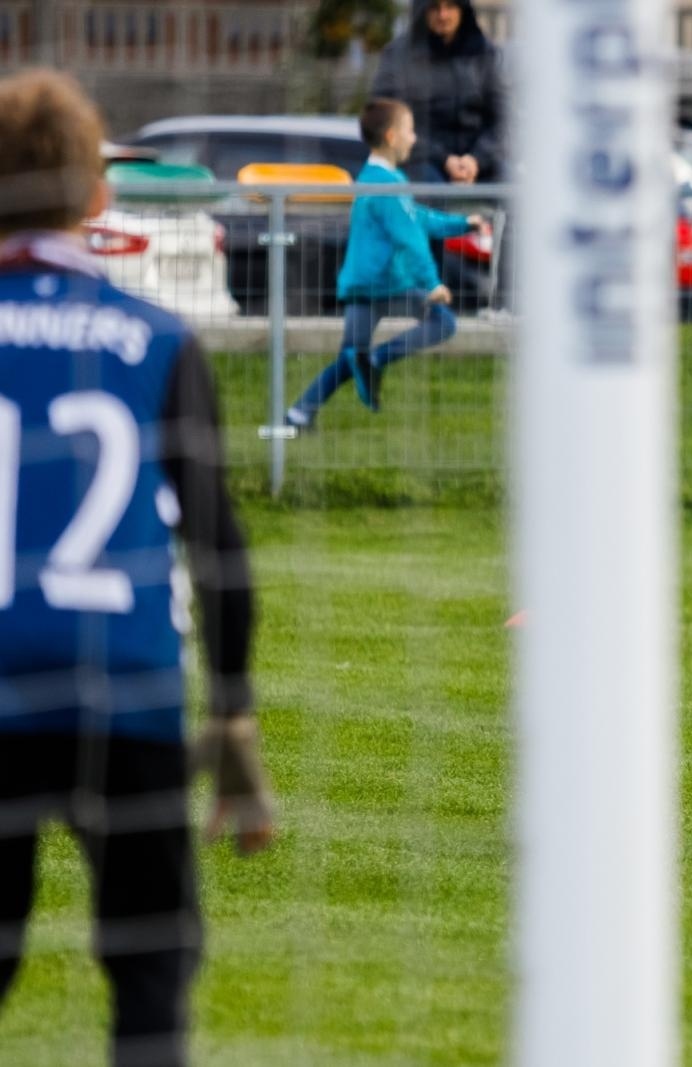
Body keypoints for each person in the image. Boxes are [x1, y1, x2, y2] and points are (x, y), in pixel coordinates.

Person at [0, 69, 274, 1066]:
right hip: (124, 683)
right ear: (97, 196)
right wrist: (232, 708)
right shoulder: (159, 339)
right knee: (152, 969)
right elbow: (218, 547)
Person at [286, 98, 486, 430]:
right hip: (388, 284)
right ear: (392, 137)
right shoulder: (388, 185)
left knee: (350, 356)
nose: (415, 138)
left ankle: (298, 415)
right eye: (410, 130)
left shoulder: (375, 178)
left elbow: (417, 218)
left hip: (361, 284)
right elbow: (410, 237)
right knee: (443, 323)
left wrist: (462, 224)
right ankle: (377, 359)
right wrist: (433, 283)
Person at [372, 0, 512, 317]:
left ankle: (506, 305)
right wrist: (444, 158)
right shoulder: (399, 55)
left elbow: (503, 118)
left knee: (520, 196)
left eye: (451, 6)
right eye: (435, 7)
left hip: (479, 160)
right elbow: (388, 117)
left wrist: (476, 159)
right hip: (422, 157)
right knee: (424, 199)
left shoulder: (484, 53)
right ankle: (427, 302)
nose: (443, 15)